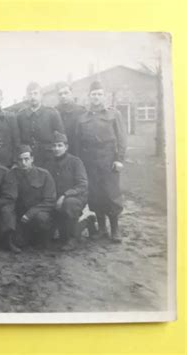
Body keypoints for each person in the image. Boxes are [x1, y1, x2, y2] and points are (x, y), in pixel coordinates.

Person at [74, 81, 127, 242]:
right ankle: (102, 228)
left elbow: (122, 139)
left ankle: (115, 229)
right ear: (89, 97)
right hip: (90, 162)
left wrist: (119, 160)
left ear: (103, 96)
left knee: (111, 194)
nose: (96, 97)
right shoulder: (82, 118)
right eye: (93, 94)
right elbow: (77, 143)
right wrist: (80, 164)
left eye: (99, 94)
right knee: (95, 195)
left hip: (108, 160)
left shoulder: (113, 114)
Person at [42, 132, 88, 244]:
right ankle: (83, 223)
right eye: (54, 146)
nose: (56, 149)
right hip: (54, 199)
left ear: (66, 147)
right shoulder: (48, 164)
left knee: (69, 204)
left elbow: (82, 185)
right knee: (45, 237)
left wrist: (65, 195)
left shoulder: (75, 162)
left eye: (60, 145)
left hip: (74, 198)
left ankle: (72, 238)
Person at [8, 145, 57, 248]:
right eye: (20, 160)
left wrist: (31, 213)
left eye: (26, 159)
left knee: (41, 222)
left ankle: (43, 237)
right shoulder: (12, 174)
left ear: (32, 159)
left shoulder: (44, 174)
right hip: (21, 217)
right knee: (19, 243)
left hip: (39, 214)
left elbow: (50, 201)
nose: (23, 163)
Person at [16, 82, 65, 165]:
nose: (33, 97)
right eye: (30, 94)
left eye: (35, 93)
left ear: (41, 95)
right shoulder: (20, 115)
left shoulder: (52, 113)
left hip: (48, 158)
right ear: (27, 96)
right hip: (28, 160)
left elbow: (61, 138)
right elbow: (18, 139)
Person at [55, 82, 87, 156]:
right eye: (60, 94)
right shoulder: (54, 112)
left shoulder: (81, 111)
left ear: (71, 93)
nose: (63, 96)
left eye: (66, 93)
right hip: (60, 152)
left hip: (78, 150)